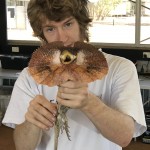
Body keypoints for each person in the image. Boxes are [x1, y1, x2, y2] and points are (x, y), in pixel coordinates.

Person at [2, 0, 147, 150]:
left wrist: (89, 103)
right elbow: (22, 147)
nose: (62, 38)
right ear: (42, 33)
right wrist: (32, 121)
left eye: (68, 24)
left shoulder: (120, 68)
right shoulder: (30, 76)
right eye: (50, 29)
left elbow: (124, 137)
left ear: (81, 24)